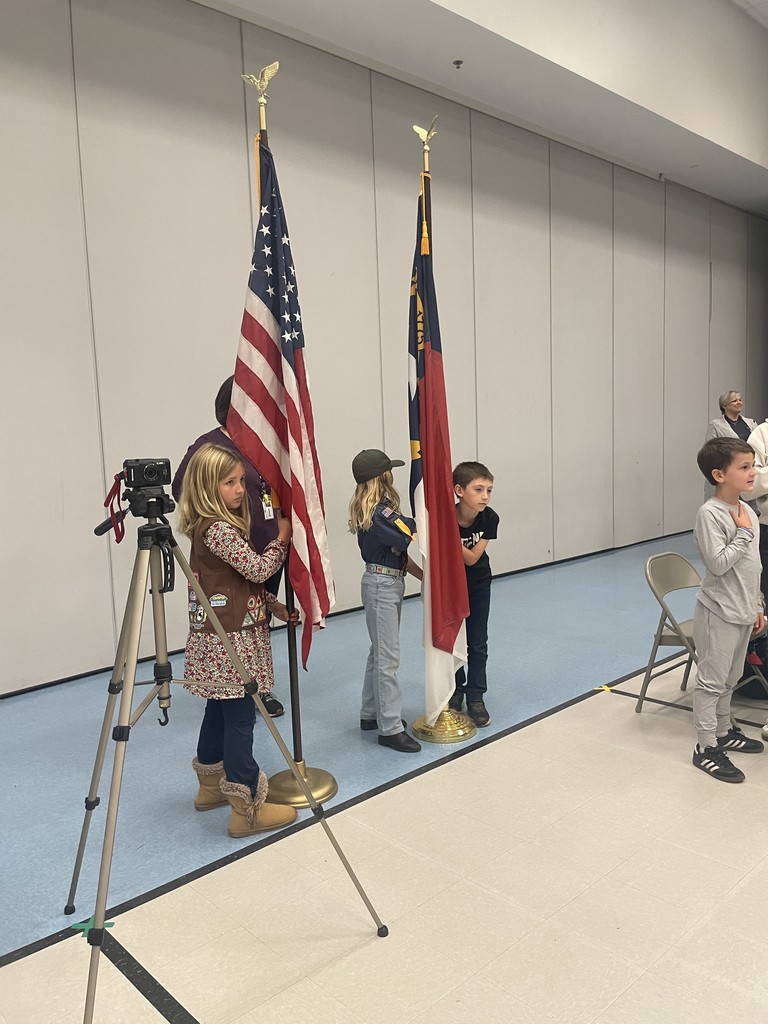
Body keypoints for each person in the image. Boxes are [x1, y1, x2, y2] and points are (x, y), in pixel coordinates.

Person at [178, 443, 297, 836]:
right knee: (242, 717)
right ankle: (246, 806)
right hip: (229, 642)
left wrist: (272, 605)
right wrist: (282, 535)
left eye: (239, 482)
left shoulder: (211, 528)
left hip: (220, 635)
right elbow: (258, 568)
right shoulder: (217, 528)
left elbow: (235, 581)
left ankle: (211, 786)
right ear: (206, 487)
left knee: (219, 710)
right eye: (229, 483)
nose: (238, 490)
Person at [173, 376, 285, 717]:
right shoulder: (209, 446)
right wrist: (213, 532)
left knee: (258, 617)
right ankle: (235, 689)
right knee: (232, 620)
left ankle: (256, 685)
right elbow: (184, 488)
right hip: (234, 551)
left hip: (268, 547)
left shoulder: (262, 443)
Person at [691, 437, 765, 783]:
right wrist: (744, 535)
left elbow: (754, 568)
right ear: (719, 474)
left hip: (743, 610)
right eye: (745, 467)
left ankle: (723, 731)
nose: (753, 473)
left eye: (753, 466)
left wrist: (757, 605)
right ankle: (706, 746)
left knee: (731, 679)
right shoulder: (710, 514)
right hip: (719, 611)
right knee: (711, 682)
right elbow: (718, 564)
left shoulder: (747, 509)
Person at [349, 449, 423, 753]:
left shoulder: (375, 510)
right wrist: (425, 514)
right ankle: (390, 727)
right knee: (388, 659)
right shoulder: (380, 513)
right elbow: (406, 535)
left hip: (385, 580)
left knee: (378, 653)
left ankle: (370, 714)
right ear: (382, 476)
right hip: (382, 584)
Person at [448, 462, 499, 728]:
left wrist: (449, 539)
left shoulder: (489, 518)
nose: (485, 496)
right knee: (452, 641)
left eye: (489, 490)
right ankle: (456, 689)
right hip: (451, 587)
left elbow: (472, 558)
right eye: (478, 489)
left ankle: (476, 696)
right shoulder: (444, 518)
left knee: (478, 642)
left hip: (479, 583)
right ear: (459, 490)